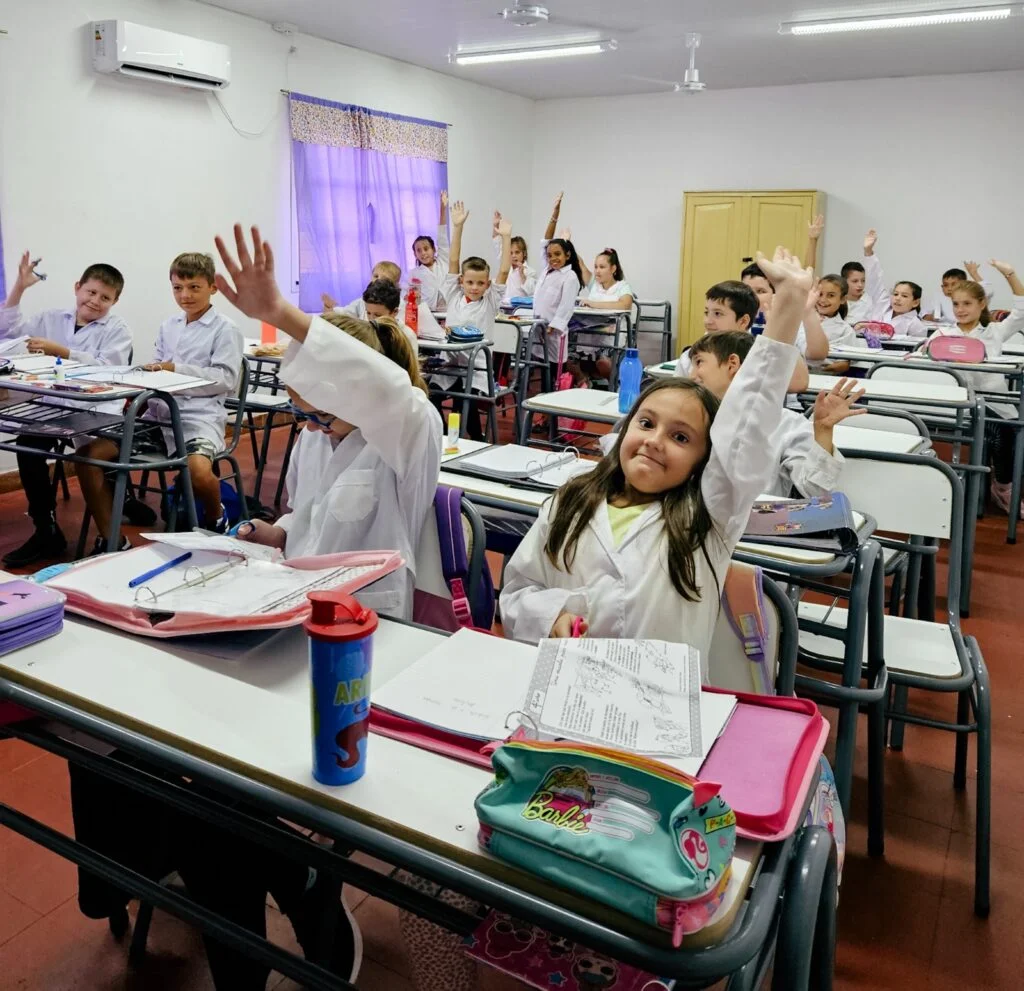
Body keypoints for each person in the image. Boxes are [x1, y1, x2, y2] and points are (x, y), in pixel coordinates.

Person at [499, 245, 812, 665]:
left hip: (655, 708)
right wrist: (551, 614)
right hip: (561, 690)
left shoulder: (707, 516)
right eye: (645, 424)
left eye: (681, 438)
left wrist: (788, 305)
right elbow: (519, 589)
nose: (654, 441)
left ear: (706, 460)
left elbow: (746, 428)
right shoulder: (569, 500)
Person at [237, 312, 441, 616]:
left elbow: (394, 391)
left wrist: (278, 311)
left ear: (360, 397)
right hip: (297, 596)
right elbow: (306, 513)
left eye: (323, 415)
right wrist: (278, 533)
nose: (312, 427)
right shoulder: (313, 439)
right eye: (302, 413)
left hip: (368, 611)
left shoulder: (405, 437)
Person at [76, 252, 244, 552]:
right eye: (178, 287)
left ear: (213, 288)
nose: (185, 295)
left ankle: (219, 521)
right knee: (90, 455)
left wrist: (173, 369)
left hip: (198, 418)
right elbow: (158, 365)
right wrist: (143, 378)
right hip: (157, 418)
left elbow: (227, 380)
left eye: (194, 287)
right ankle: (112, 540)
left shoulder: (225, 329)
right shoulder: (170, 324)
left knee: (197, 470)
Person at [0, 252, 132, 567]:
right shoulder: (52, 318)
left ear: (115, 301)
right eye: (91, 292)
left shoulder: (117, 329)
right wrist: (19, 287)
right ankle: (46, 528)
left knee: (90, 460)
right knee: (28, 445)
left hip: (96, 410)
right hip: (53, 406)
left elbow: (107, 368)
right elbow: (9, 332)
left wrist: (64, 351)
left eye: (105, 297)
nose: (96, 301)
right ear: (77, 288)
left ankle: (117, 516)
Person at [687, 331, 863, 497]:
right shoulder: (686, 417)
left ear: (732, 364)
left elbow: (815, 490)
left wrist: (823, 431)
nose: (690, 375)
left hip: (756, 525)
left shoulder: (786, 424)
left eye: (699, 362)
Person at [924, 262, 1024, 515]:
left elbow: (1022, 310)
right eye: (956, 304)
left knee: (1010, 431)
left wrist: (1009, 274)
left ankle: (1003, 485)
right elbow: (922, 357)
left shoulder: (994, 332)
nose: (960, 309)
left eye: (967, 303)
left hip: (995, 403)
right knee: (999, 433)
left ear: (981, 304)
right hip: (960, 406)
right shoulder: (942, 334)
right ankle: (999, 487)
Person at [427, 200, 511, 441]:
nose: (475, 288)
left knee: (465, 400)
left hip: (478, 370)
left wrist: (505, 237)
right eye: (470, 282)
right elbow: (453, 261)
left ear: (487, 284)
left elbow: (504, 270)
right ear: (462, 281)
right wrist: (458, 226)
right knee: (431, 394)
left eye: (480, 283)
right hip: (451, 365)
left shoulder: (489, 301)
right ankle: (443, 435)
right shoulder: (454, 294)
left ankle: (472, 438)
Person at [321, 260, 444, 344]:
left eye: (384, 279)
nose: (377, 280)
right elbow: (342, 314)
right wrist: (330, 308)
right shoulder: (363, 301)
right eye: (375, 276)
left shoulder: (401, 305)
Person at [532, 192, 584, 382]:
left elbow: (566, 306)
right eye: (550, 255)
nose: (553, 258)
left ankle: (553, 406)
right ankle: (542, 403)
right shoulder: (547, 270)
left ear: (567, 255)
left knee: (554, 371)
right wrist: (554, 214)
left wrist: (555, 325)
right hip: (539, 328)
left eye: (557, 254)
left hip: (554, 333)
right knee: (540, 367)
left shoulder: (570, 277)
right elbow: (545, 241)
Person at [740, 262, 829, 362]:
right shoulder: (734, 316)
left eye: (761, 291)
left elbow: (817, 354)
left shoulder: (791, 321)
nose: (751, 296)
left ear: (778, 295)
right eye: (746, 290)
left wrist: (808, 312)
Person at [860, 230, 929, 337]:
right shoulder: (882, 305)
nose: (897, 298)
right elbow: (874, 280)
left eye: (904, 296)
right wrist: (868, 251)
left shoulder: (917, 326)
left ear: (915, 302)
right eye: (895, 294)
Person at [411, 189, 450, 310]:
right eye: (419, 250)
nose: (423, 253)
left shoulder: (444, 261)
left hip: (449, 310)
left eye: (426, 249)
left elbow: (442, 237)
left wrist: (442, 209)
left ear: (434, 249)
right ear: (415, 254)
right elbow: (412, 298)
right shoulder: (414, 273)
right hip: (429, 313)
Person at [923, 262, 994, 324]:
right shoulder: (939, 297)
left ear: (964, 284)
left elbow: (988, 291)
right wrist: (932, 317)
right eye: (945, 285)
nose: (949, 288)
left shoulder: (971, 294)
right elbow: (923, 313)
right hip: (947, 330)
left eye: (954, 284)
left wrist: (974, 274)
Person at [492, 211, 536, 303]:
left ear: (524, 253)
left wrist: (522, 275)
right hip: (503, 305)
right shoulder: (505, 266)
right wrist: (496, 226)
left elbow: (532, 292)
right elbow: (497, 243)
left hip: (520, 308)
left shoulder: (530, 271)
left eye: (517, 252)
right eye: (511, 253)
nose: (513, 255)